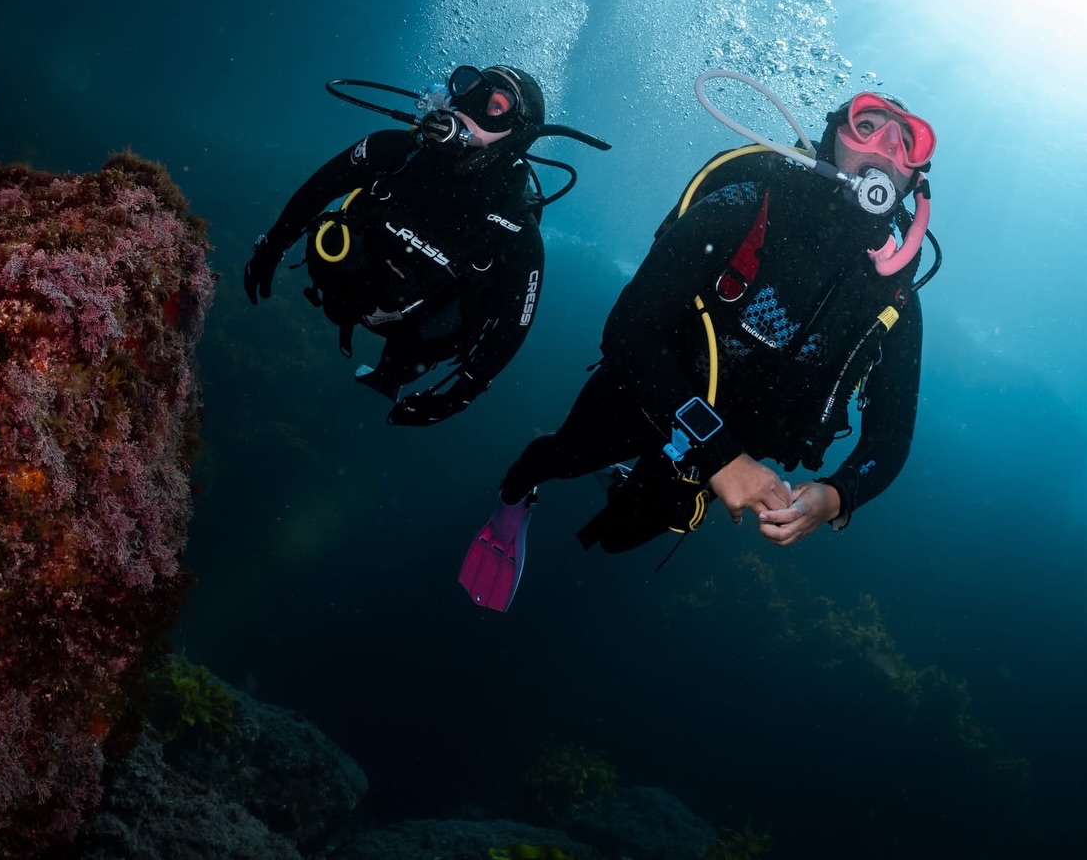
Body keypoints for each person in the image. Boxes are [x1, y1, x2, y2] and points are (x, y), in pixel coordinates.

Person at [458, 73, 940, 611]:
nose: (886, 149)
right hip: (648, 390)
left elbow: (890, 439)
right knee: (559, 455)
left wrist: (835, 497)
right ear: (831, 141)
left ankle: (628, 480)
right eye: (867, 125)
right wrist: (720, 456)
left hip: (739, 450)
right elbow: (629, 329)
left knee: (623, 537)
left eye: (907, 142)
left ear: (915, 182)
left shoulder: (895, 299)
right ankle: (511, 503)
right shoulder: (745, 206)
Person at [243, 64, 608, 427]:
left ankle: (387, 379)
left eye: (496, 105)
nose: (470, 105)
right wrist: (272, 245)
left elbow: (514, 326)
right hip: (345, 289)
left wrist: (457, 395)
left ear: (519, 134)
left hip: (416, 335)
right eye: (467, 88)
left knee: (441, 330)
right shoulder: (395, 151)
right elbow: (320, 189)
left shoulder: (516, 227)